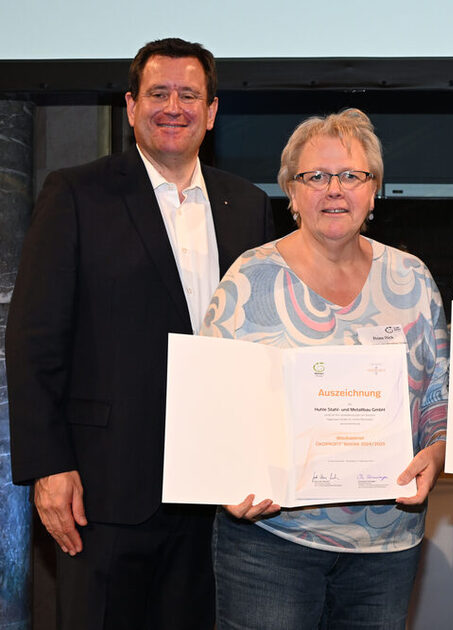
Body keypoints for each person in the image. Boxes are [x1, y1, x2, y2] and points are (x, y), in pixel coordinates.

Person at [6, 38, 273, 629]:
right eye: (158, 93)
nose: (173, 107)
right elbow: (32, 340)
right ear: (130, 107)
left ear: (211, 112)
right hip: (104, 492)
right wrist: (48, 466)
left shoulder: (247, 206)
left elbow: (266, 345)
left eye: (188, 95)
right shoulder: (76, 194)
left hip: (217, 499)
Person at [200, 108, 448, 629]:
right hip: (271, 541)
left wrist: (439, 450)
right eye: (315, 176)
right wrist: (224, 480)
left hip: (386, 544)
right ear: (290, 192)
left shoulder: (412, 278)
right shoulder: (249, 278)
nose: (334, 189)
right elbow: (210, 406)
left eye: (351, 175)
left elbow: (438, 395)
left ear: (374, 189)